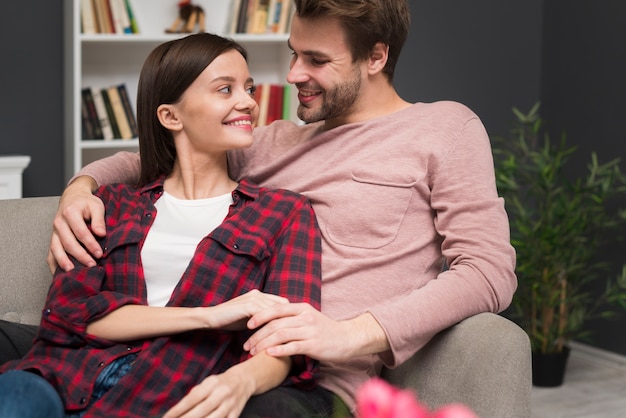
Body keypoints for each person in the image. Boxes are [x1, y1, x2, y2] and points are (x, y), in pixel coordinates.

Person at [3, 0, 518, 415]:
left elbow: (489, 271)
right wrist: (79, 189)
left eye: (317, 60)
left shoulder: (444, 129)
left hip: (302, 374)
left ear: (376, 58)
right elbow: (152, 154)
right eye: (294, 52)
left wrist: (348, 333)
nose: (293, 74)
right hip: (181, 340)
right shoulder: (271, 142)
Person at [0, 32, 322, 418]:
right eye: (225, 89)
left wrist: (242, 380)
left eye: (248, 88)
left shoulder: (284, 213)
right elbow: (69, 317)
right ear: (171, 116)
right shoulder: (112, 205)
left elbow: (288, 340)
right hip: (62, 377)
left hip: (170, 390)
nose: (249, 102)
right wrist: (210, 314)